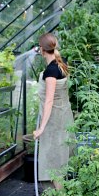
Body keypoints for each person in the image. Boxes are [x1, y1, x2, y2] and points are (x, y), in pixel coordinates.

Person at [32, 33, 74, 186]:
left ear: (42, 50)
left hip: (54, 119)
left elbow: (49, 100)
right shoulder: (61, 64)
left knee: (54, 159)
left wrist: (41, 128)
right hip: (64, 115)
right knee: (62, 156)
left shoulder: (50, 71)